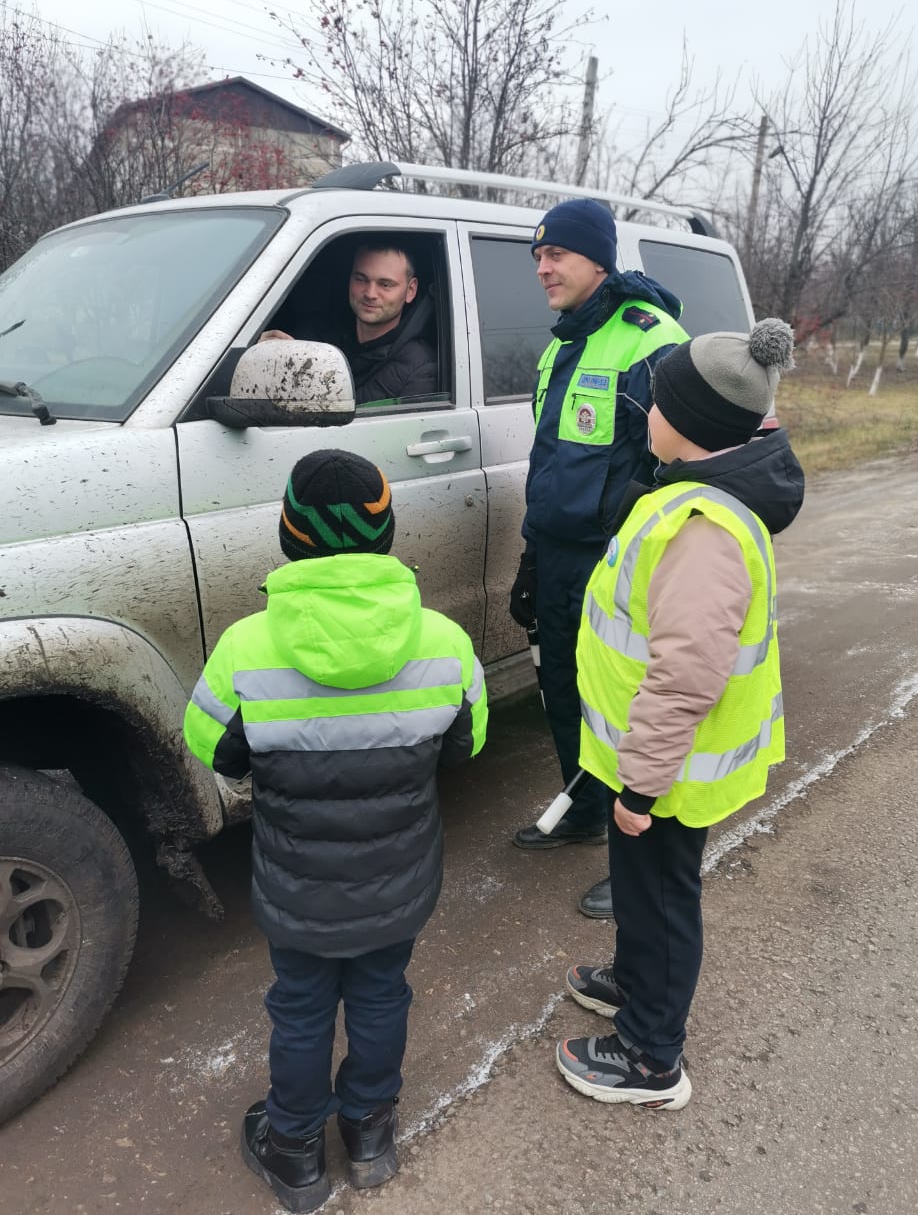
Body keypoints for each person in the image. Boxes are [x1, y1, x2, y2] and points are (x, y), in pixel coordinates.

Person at [183, 449, 487, 1214]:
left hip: (297, 884)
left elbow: (212, 747)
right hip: (400, 875)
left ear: (289, 536)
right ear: (386, 536)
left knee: (301, 1005)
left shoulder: (246, 648)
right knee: (383, 995)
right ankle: (370, 1136)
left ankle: (293, 1155)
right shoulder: (444, 643)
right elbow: (466, 743)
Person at [555, 319, 804, 1109]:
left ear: (689, 427)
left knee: (663, 901)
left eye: (655, 404)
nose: (645, 415)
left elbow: (685, 674)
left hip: (669, 772)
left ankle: (651, 1056)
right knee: (642, 889)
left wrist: (640, 787)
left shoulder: (704, 530)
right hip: (654, 760)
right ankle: (634, 982)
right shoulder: (694, 495)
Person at [508, 197, 688, 920]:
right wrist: (530, 555)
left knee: (627, 702)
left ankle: (640, 859)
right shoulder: (561, 346)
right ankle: (585, 807)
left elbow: (677, 466)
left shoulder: (653, 340)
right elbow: (550, 462)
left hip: (622, 562)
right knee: (565, 686)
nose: (543, 268)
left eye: (556, 255)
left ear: (598, 259)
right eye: (538, 258)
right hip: (558, 554)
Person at [260, 242, 438, 405]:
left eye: (385, 284)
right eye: (361, 279)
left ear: (411, 290)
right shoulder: (313, 337)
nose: (370, 293)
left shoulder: (420, 369)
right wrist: (267, 360)